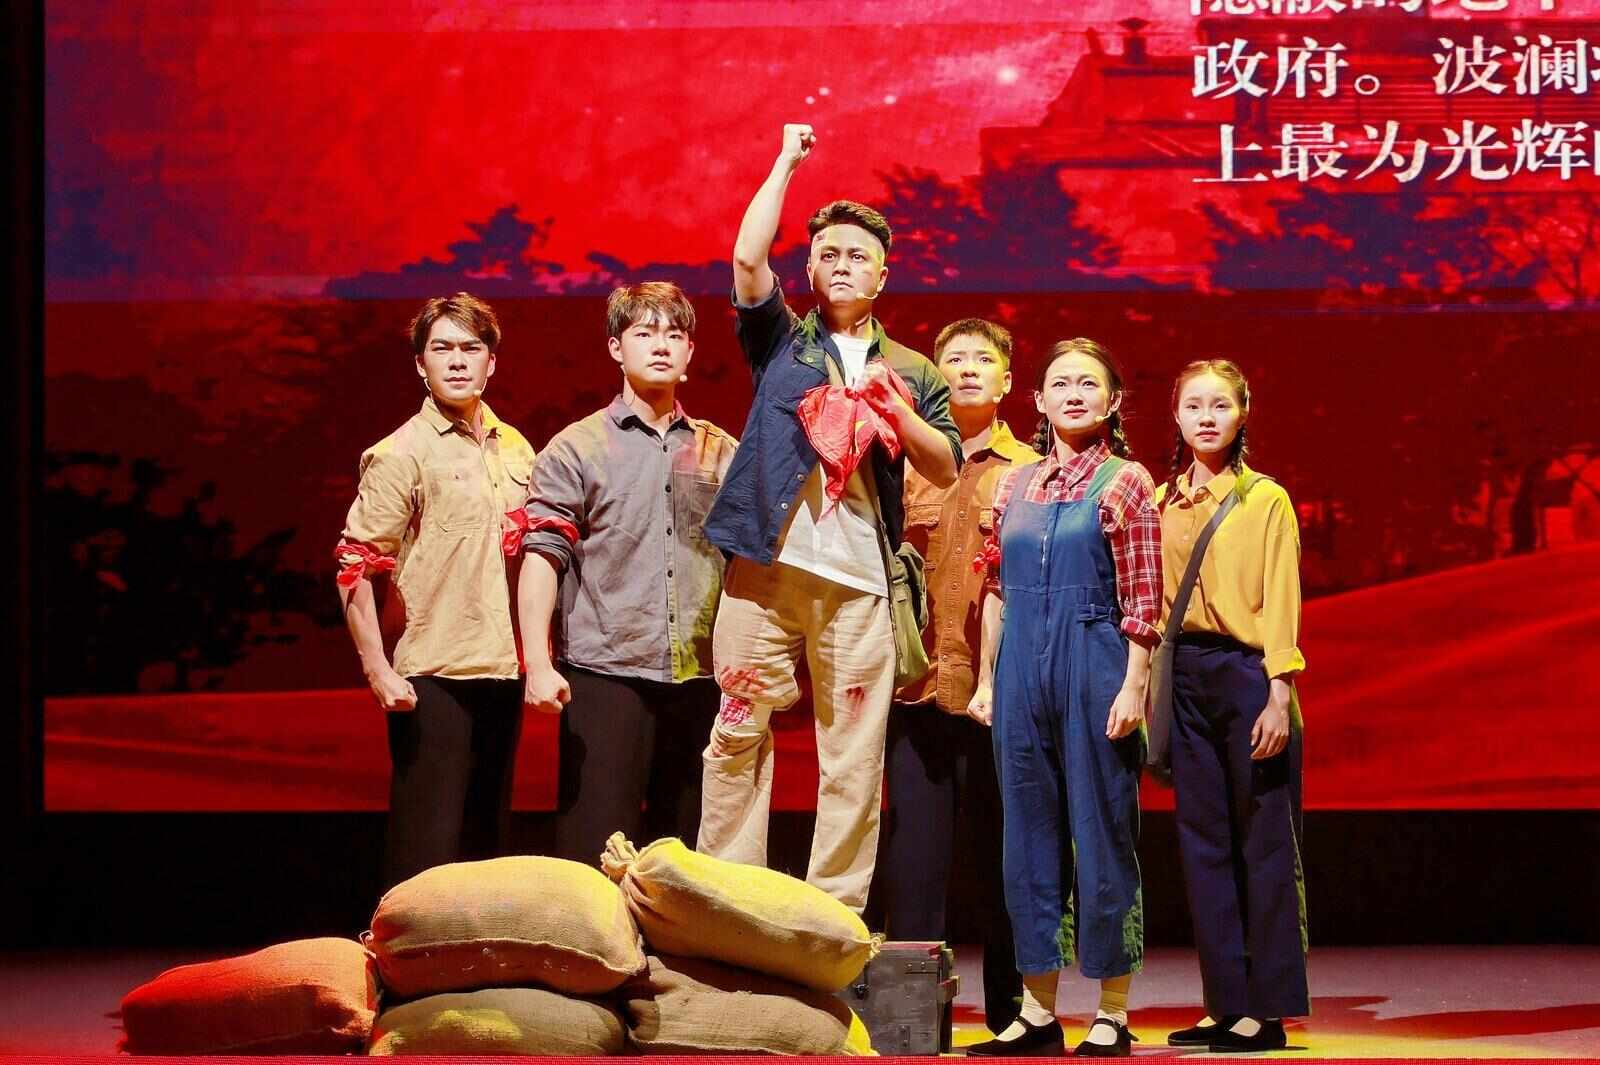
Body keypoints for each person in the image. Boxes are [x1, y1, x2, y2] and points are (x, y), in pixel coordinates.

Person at [696, 123, 963, 913]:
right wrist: (785, 160)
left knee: (851, 756)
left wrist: (897, 410)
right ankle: (728, 900)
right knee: (737, 727)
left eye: (858, 255)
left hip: (860, 585)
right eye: (828, 254)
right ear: (809, 269)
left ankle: (830, 916)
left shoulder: (912, 367)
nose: (842, 264)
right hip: (765, 569)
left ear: (883, 273)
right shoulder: (782, 341)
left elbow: (945, 465)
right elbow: (747, 260)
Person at [966, 339, 1160, 1058]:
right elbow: (995, 589)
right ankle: (1037, 1010)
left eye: (1088, 383)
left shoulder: (1126, 481)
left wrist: (1134, 685)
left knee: (1104, 833)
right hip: (1021, 667)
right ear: (1039, 400)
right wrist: (988, 680)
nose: (1073, 394)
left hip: (1095, 659)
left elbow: (1144, 600)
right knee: (1026, 838)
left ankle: (1112, 1010)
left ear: (1112, 401)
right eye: (1060, 384)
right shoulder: (1012, 485)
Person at [518, 281, 737, 864]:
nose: (661, 346)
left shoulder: (720, 451)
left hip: (698, 677)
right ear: (616, 347)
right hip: (605, 674)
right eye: (644, 333)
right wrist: (537, 662)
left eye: (674, 335)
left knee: (686, 860)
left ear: (690, 351)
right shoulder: (577, 447)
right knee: (594, 853)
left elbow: (748, 564)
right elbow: (542, 555)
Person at [334, 293, 534, 890]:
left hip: (503, 671)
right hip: (432, 675)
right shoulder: (400, 453)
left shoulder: (516, 447)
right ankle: (405, 952)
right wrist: (377, 669)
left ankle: (479, 951)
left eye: (471, 348)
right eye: (442, 348)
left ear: (492, 361)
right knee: (426, 850)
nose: (457, 360)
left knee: (486, 846)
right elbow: (355, 566)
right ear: (421, 363)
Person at [879, 318, 1036, 1034]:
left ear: (1009, 380)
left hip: (1001, 697)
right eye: (954, 359)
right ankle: (912, 1025)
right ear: (931, 379)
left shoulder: (1032, 469)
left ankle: (1016, 1016)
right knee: (913, 863)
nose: (968, 369)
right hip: (914, 693)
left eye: (983, 359)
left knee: (1008, 860)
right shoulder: (901, 463)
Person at [1158, 359, 1309, 1054]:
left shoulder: (1264, 498)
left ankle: (1266, 1009)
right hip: (1184, 673)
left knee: (1263, 841)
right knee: (1203, 843)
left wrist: (1279, 688)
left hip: (1249, 675)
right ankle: (1225, 1004)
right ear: (1176, 415)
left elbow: (1282, 595)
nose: (1207, 417)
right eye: (1195, 405)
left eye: (1221, 404)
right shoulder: (1161, 498)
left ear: (1243, 412)